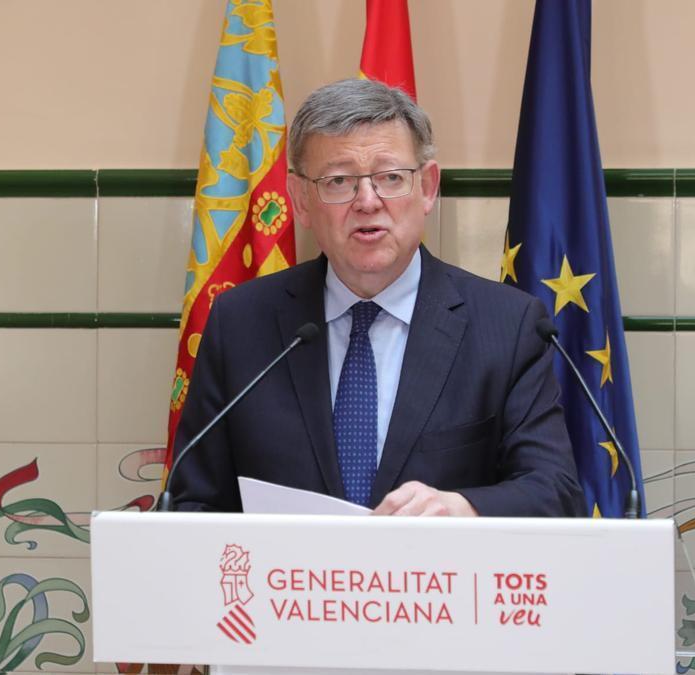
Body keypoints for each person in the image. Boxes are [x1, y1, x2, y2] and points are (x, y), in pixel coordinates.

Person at [173, 78, 584, 517]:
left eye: (390, 177)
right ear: (301, 200)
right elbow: (193, 501)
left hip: (438, 582)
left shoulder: (508, 325)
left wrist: (465, 507)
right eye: (338, 181)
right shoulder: (241, 324)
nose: (367, 201)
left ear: (427, 187)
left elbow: (554, 491)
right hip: (284, 583)